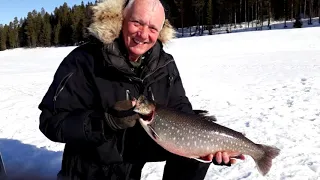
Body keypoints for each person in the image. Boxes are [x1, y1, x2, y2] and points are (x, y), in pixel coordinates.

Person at [38, 0, 244, 179]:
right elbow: (51, 121)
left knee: (195, 156)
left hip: (134, 161)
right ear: (121, 20)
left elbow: (182, 112)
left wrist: (211, 147)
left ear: (161, 31)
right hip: (88, 170)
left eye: (153, 28)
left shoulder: (164, 64)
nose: (143, 34)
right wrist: (104, 122)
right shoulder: (84, 61)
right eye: (137, 23)